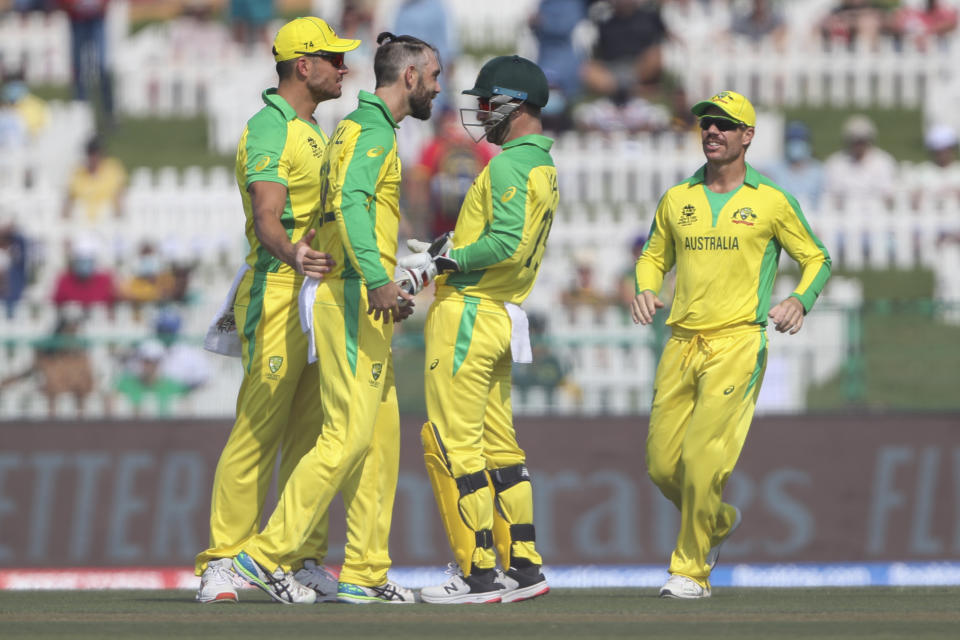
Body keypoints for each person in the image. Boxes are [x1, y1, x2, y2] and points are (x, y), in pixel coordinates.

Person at [231, 31, 442, 605]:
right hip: (350, 295)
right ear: (411, 77)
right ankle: (261, 555)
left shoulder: (355, 126)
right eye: (435, 75)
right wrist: (376, 278)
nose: (439, 87)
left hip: (355, 292)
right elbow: (349, 202)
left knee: (377, 443)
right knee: (346, 438)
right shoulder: (370, 129)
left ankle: (366, 573)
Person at [630, 90, 831, 599]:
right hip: (680, 341)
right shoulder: (678, 198)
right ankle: (717, 521)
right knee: (660, 465)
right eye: (706, 124)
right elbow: (654, 255)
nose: (712, 131)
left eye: (724, 124)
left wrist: (799, 301)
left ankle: (691, 572)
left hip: (738, 342)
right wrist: (646, 287)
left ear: (748, 136)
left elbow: (817, 259)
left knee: (703, 458)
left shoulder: (771, 200)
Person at [194, 17, 359, 605]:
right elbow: (268, 216)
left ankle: (296, 556)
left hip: (316, 299)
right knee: (259, 428)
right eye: (333, 58)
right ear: (302, 65)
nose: (344, 67)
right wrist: (294, 255)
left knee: (313, 432)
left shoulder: (312, 127)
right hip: (278, 290)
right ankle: (222, 561)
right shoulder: (270, 128)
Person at [401, 55, 558, 604]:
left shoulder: (510, 165)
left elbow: (504, 243)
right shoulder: (540, 165)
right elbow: (498, 241)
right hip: (501, 313)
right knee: (498, 446)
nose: (483, 113)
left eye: (490, 103)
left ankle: (477, 574)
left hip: (469, 312)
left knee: (450, 443)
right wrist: (447, 248)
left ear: (516, 106)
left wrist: (438, 265)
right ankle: (523, 566)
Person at [822, 114, 897, 208]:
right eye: (855, 141)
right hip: (843, 216)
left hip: (877, 215)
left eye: (862, 141)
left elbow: (889, 195)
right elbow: (831, 195)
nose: (859, 145)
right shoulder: (835, 163)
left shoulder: (883, 162)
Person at [761, 120, 825, 213]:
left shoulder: (818, 171)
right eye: (792, 140)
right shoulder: (776, 168)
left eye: (800, 140)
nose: (796, 144)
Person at [62, 135, 128, 222]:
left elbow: (120, 197)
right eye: (91, 153)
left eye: (96, 153)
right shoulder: (78, 173)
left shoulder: (113, 169)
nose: (93, 158)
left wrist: (119, 219)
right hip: (82, 224)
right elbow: (69, 200)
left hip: (107, 223)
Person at [52, 236, 116, 309]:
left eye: (88, 261)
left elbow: (113, 305)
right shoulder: (64, 280)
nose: (84, 264)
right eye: (80, 260)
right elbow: (55, 305)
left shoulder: (105, 280)